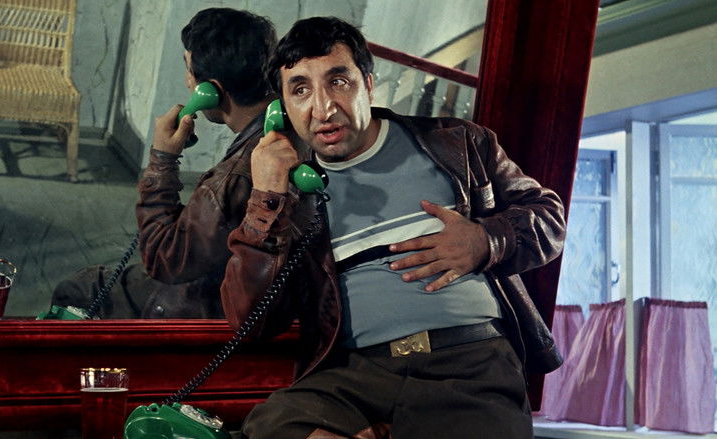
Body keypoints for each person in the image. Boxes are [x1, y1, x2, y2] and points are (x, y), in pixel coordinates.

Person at [221, 16, 566, 438]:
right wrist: (266, 200)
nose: (323, 108)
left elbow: (548, 217)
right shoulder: (288, 193)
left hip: (469, 363)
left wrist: (484, 240)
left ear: (368, 85)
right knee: (271, 424)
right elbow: (251, 322)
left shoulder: (458, 143)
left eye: (338, 82)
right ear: (283, 109)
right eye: (300, 90)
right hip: (358, 374)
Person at [51, 8, 278, 318]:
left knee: (75, 290)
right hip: (226, 283)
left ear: (210, 90)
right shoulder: (282, 132)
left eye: (188, 69)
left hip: (203, 304)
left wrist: (162, 160)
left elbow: (163, 258)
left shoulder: (232, 179)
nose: (187, 81)